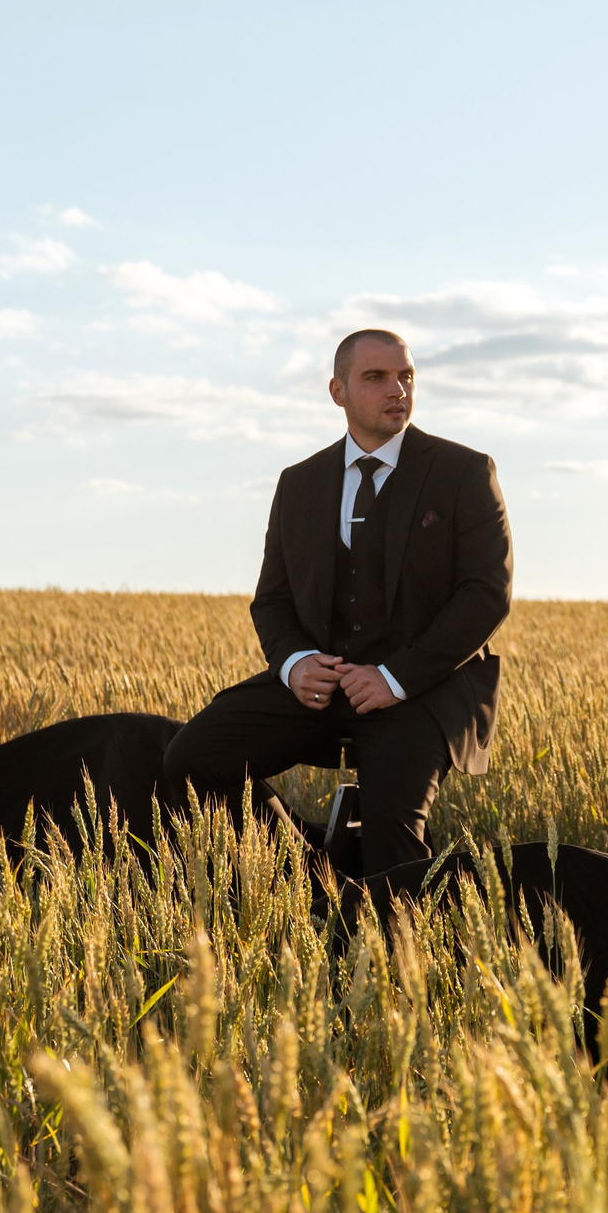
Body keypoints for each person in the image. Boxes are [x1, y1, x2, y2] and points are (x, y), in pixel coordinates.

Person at [161, 328, 513, 873]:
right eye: (376, 377)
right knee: (190, 759)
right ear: (338, 391)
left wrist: (394, 679)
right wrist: (296, 664)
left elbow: (487, 594)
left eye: (406, 376)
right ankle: (311, 880)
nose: (397, 389)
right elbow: (272, 601)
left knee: (391, 843)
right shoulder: (299, 483)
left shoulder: (463, 472)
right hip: (323, 688)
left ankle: (403, 949)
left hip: (422, 690)